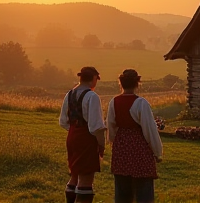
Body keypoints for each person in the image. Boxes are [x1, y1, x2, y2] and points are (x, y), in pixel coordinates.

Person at [106, 69, 163, 203]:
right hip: (139, 146)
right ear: (137, 83)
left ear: (121, 83)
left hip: (121, 145)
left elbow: (111, 126)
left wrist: (115, 142)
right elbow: (149, 129)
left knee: (122, 187)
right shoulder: (141, 103)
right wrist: (157, 152)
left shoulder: (114, 102)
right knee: (144, 186)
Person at [59, 66, 106, 203]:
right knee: (86, 177)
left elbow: (63, 121)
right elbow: (96, 126)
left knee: (74, 173)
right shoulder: (92, 96)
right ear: (93, 78)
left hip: (72, 135)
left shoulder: (69, 94)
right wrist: (101, 144)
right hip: (86, 138)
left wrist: (74, 130)